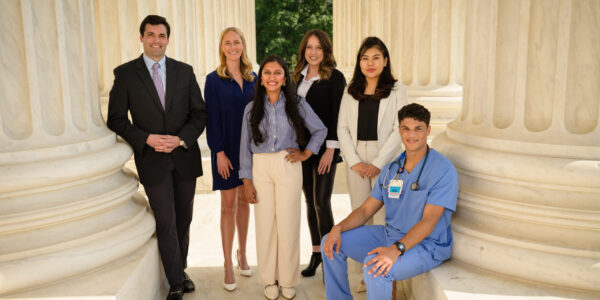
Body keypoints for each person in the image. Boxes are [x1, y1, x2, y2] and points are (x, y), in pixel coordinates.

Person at [106, 15, 206, 300]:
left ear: (167, 39)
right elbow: (116, 119)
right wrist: (146, 138)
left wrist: (181, 138)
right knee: (165, 219)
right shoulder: (125, 74)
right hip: (151, 159)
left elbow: (199, 113)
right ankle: (175, 280)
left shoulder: (184, 72)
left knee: (184, 219)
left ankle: (181, 269)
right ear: (141, 38)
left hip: (184, 156)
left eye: (161, 36)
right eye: (150, 35)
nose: (156, 40)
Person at [321, 103, 459, 300]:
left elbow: (429, 222)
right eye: (406, 128)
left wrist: (396, 250)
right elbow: (366, 210)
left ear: (428, 130)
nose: (412, 135)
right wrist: (338, 228)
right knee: (330, 242)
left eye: (418, 128)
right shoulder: (392, 169)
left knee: (374, 267)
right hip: (390, 234)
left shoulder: (443, 169)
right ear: (399, 130)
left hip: (427, 245)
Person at [239, 55, 327, 300]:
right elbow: (244, 146)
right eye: (267, 73)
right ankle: (270, 279)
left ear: (284, 77)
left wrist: (306, 152)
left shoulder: (297, 104)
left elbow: (320, 130)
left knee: (288, 223)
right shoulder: (251, 108)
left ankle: (288, 279)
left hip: (288, 165)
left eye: (277, 73)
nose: (272, 77)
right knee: (265, 224)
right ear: (261, 78)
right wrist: (246, 180)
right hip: (260, 167)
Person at [337, 36, 407, 292]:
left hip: (384, 158)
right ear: (359, 62)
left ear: (385, 61)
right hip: (356, 157)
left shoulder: (398, 90)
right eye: (365, 58)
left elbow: (400, 129)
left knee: (382, 216)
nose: (370, 63)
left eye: (376, 57)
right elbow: (342, 128)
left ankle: (381, 271)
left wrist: (377, 162)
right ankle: (365, 274)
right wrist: (355, 162)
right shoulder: (350, 89)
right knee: (359, 214)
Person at [204, 27, 256, 292]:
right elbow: (211, 119)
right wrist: (219, 152)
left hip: (248, 151)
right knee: (228, 205)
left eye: (237, 42)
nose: (233, 46)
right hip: (224, 150)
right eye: (228, 42)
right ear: (222, 47)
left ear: (243, 45)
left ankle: (243, 254)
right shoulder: (213, 80)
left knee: (245, 200)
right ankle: (227, 263)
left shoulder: (253, 77)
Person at [292, 29, 346, 277]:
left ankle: (331, 260)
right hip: (303, 150)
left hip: (326, 149)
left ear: (325, 51)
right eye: (309, 47)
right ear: (303, 50)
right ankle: (316, 254)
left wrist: (331, 150)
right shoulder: (296, 78)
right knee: (309, 203)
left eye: (318, 48)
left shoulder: (335, 78)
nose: (313, 52)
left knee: (321, 202)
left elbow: (339, 115)